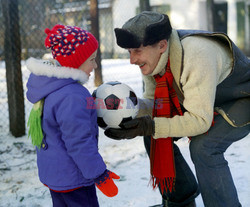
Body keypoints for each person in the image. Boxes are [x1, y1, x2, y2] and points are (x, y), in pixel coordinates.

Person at [104, 11, 250, 207]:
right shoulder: (156, 60)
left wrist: (150, 125)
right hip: (204, 98)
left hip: (241, 97)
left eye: (137, 51)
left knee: (204, 148)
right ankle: (180, 201)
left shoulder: (197, 54)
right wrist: (126, 110)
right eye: (129, 52)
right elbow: (157, 106)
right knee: (154, 133)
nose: (132, 60)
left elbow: (199, 120)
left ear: (162, 45)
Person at [26, 24, 120, 207]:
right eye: (91, 59)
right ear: (76, 61)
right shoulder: (73, 95)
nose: (95, 65)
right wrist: (99, 174)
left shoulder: (52, 88)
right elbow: (79, 141)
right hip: (75, 179)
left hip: (57, 178)